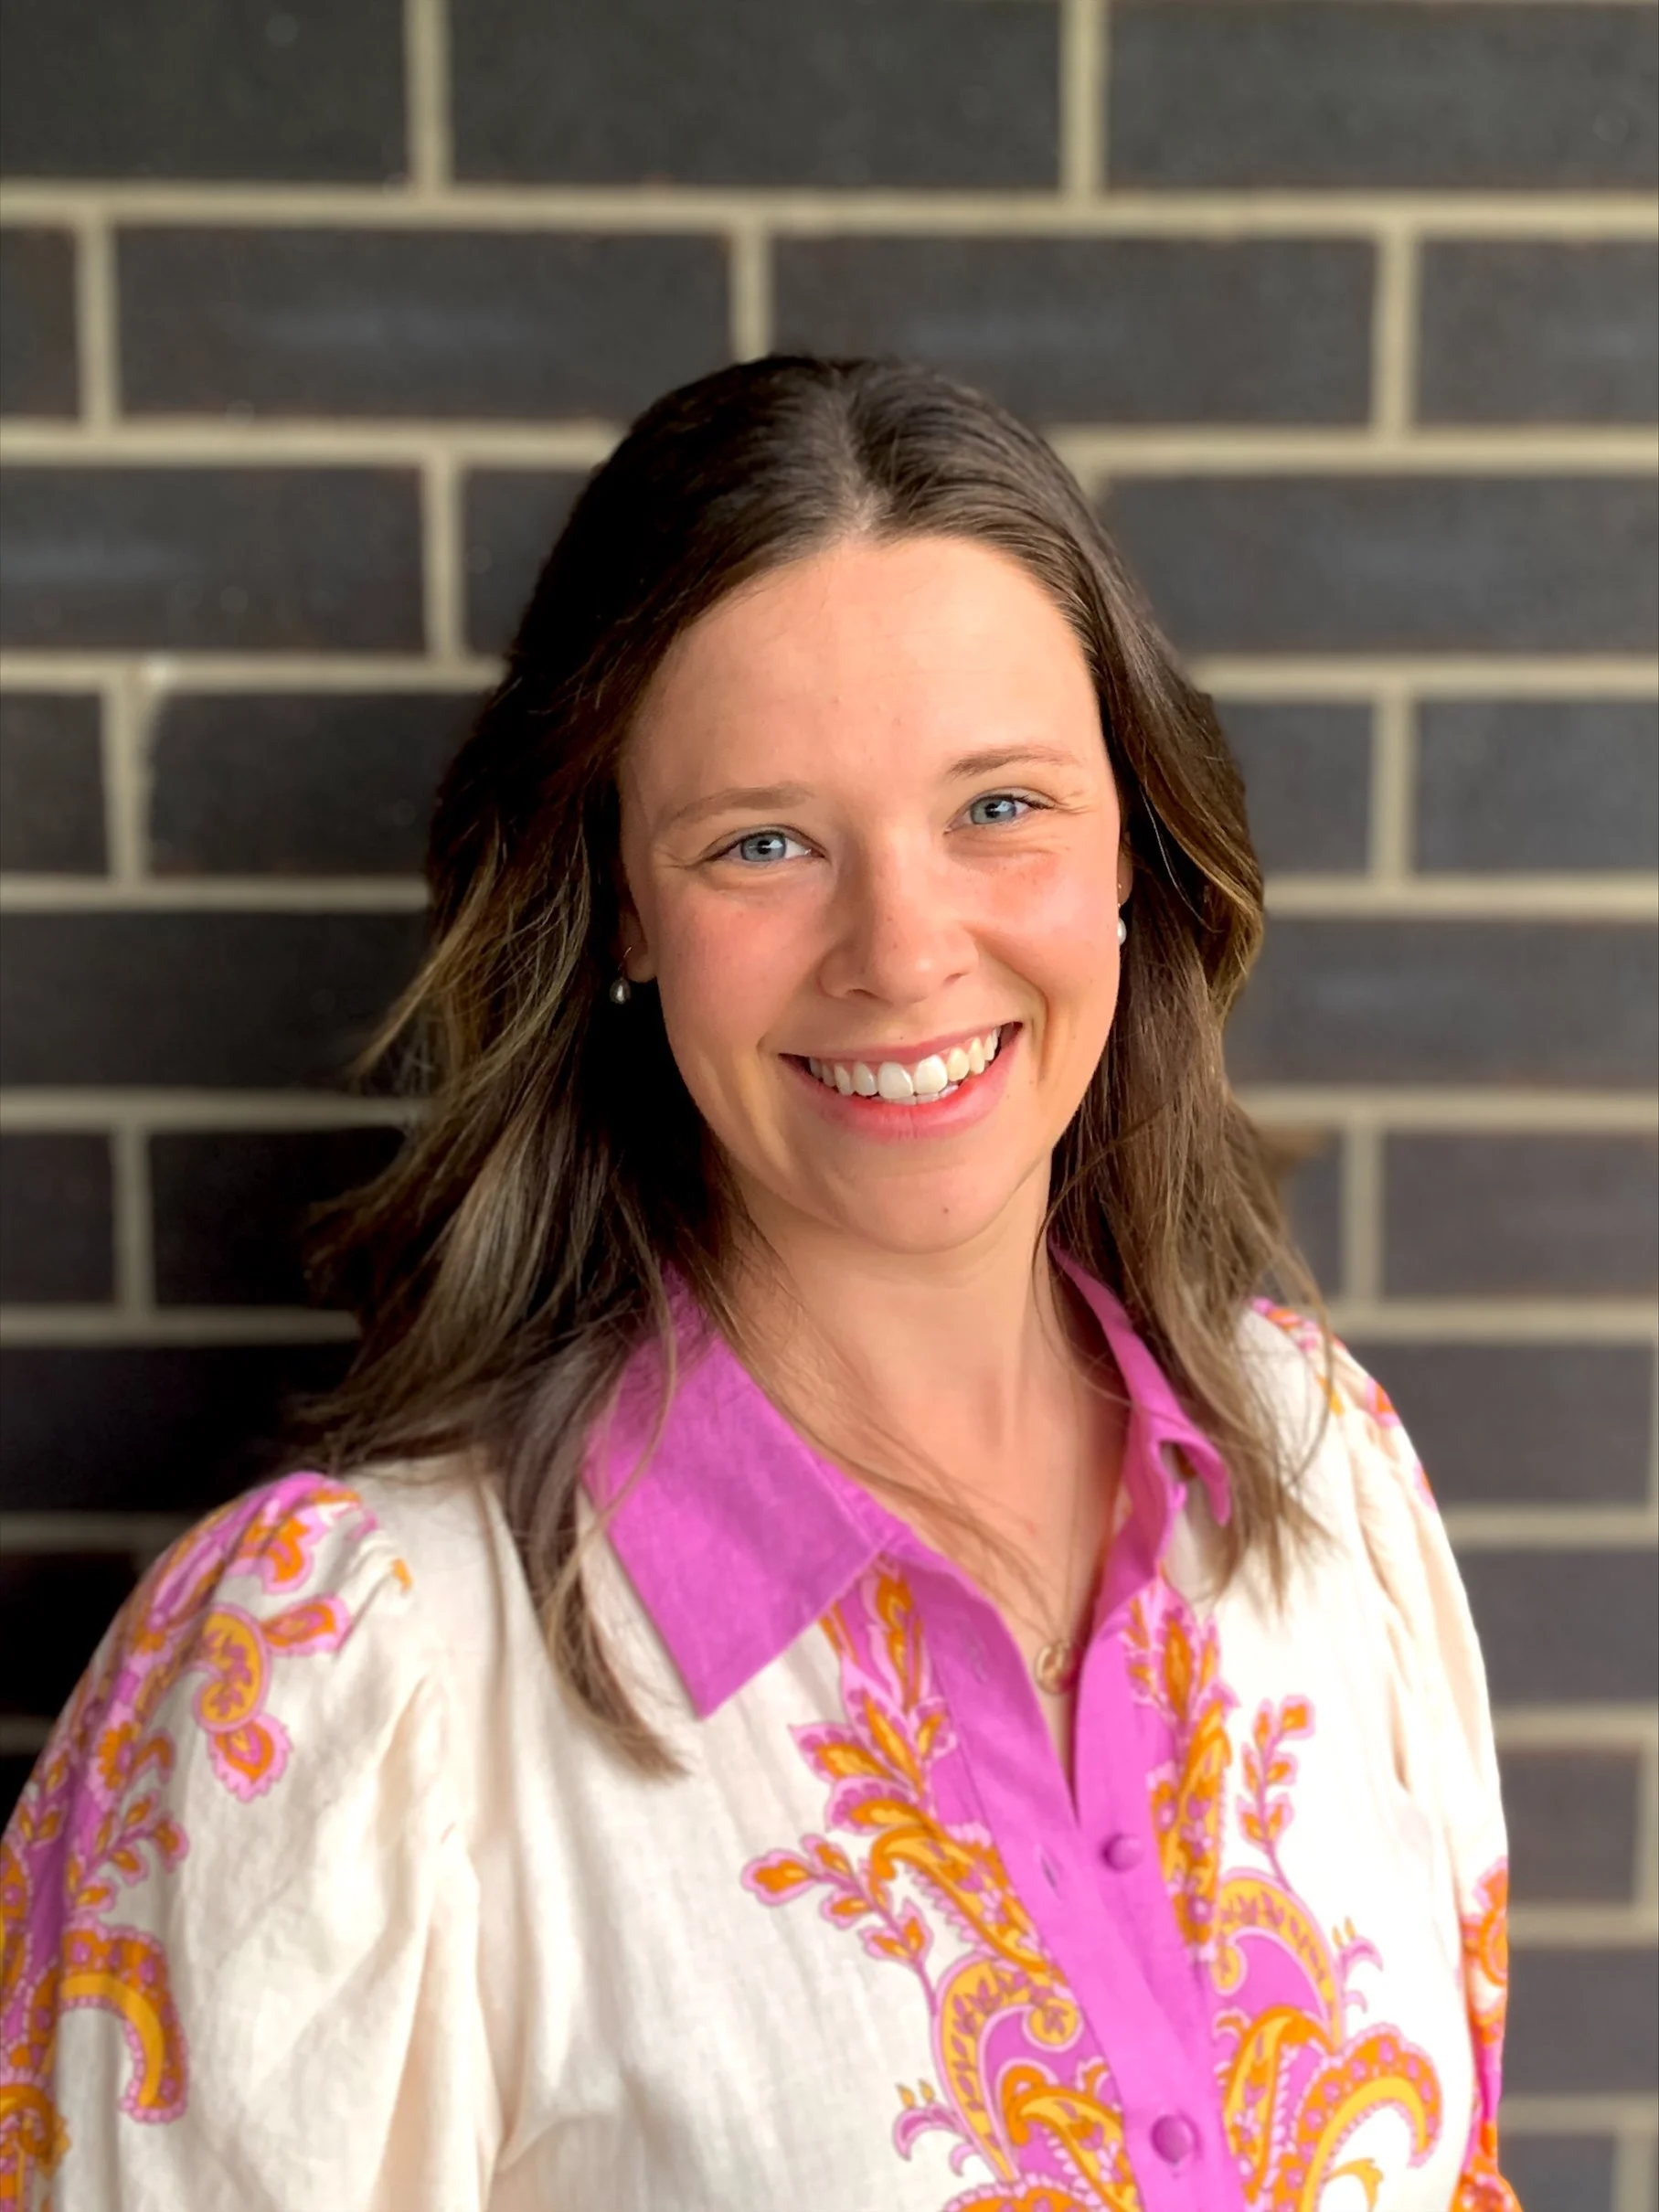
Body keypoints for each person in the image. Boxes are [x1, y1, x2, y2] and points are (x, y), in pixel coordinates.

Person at [0, 357, 1515, 2212]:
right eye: (763, 843)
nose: (902, 949)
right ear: (623, 912)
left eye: (1000, 806)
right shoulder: (356, 1686)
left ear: (1131, 841)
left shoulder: (1323, 1480)